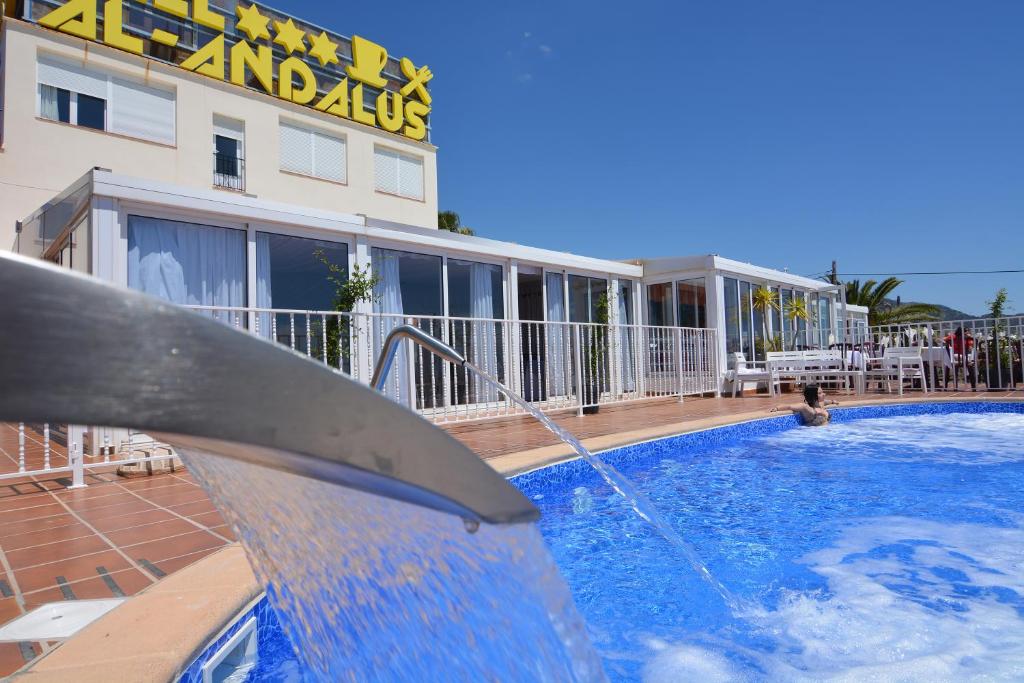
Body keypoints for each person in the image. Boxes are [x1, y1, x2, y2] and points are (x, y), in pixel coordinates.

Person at [769, 384, 838, 426]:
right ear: (813, 396)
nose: (824, 394)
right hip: (815, 434)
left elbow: (826, 402)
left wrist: (832, 401)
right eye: (820, 393)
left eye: (823, 392)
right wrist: (777, 408)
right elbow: (789, 406)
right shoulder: (808, 409)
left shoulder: (821, 404)